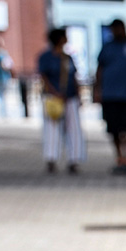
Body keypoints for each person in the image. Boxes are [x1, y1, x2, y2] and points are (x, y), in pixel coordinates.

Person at [94, 19, 126, 174]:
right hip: (110, 95)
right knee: (113, 129)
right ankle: (119, 158)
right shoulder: (107, 47)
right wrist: (97, 90)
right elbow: (100, 69)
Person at [38, 28, 85, 174]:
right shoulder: (46, 57)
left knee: (74, 129)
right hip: (53, 98)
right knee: (51, 128)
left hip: (70, 97)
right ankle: (51, 158)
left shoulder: (67, 58)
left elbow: (74, 77)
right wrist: (55, 93)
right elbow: (44, 78)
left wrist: (78, 95)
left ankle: (74, 159)